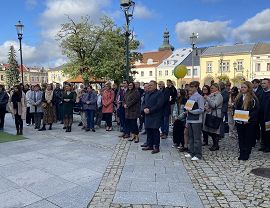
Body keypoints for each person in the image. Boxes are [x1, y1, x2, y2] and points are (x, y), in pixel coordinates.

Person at [234, 81, 259, 160]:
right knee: (241, 138)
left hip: (249, 122)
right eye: (242, 87)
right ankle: (242, 153)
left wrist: (248, 118)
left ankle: (247, 153)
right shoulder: (239, 97)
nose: (243, 89)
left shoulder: (253, 98)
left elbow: (255, 110)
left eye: (244, 87)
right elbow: (236, 108)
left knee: (248, 138)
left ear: (248, 88)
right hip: (240, 121)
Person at [141, 80, 164, 154]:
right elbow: (143, 102)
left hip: (155, 115)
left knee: (155, 131)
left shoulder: (159, 93)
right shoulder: (147, 93)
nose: (149, 87)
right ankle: (150, 145)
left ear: (155, 86)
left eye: (151, 85)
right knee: (148, 130)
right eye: (149, 85)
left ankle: (156, 147)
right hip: (147, 115)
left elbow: (159, 105)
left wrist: (150, 110)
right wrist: (144, 109)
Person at [185, 81, 205, 161]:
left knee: (197, 138)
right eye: (190, 86)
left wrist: (192, 112)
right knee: (191, 137)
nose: (191, 88)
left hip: (196, 120)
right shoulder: (191, 97)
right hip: (190, 119)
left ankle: (198, 154)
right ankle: (191, 152)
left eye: (192, 87)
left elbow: (201, 109)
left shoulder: (199, 97)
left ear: (196, 87)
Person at [203, 83, 223, 151]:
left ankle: (216, 145)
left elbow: (214, 105)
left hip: (215, 114)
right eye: (211, 88)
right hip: (210, 113)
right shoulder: (211, 95)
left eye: (212, 88)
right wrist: (205, 107)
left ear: (217, 88)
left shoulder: (219, 96)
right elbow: (207, 104)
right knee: (210, 130)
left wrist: (208, 98)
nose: (211, 89)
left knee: (215, 130)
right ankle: (215, 144)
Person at [258, 78, 270, 152]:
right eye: (262, 83)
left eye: (264, 83)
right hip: (261, 116)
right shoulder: (261, 92)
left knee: (268, 131)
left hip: (268, 116)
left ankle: (268, 146)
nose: (263, 85)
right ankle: (264, 145)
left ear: (269, 84)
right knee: (263, 131)